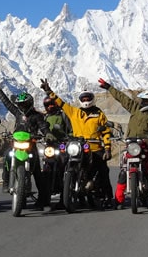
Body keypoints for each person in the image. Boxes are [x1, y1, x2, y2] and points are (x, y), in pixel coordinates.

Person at [40, 79, 114, 209]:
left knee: (103, 170)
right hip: (77, 147)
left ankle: (108, 197)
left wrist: (107, 148)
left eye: (88, 98)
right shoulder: (74, 112)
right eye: (83, 98)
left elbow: (106, 132)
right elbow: (60, 102)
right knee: (61, 166)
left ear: (92, 99)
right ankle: (63, 199)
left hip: (95, 148)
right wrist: (48, 91)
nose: (85, 100)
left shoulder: (99, 114)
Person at [98, 78, 148, 210]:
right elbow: (123, 99)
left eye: (145, 101)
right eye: (143, 101)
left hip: (146, 148)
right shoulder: (136, 109)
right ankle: (119, 200)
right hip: (131, 146)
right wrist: (109, 87)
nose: (142, 103)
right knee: (123, 171)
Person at [0, 78, 55, 211]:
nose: (22, 107)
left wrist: (47, 133)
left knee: (37, 171)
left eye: (24, 104)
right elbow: (6, 103)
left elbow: (43, 126)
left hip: (31, 145)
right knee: (8, 155)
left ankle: (43, 199)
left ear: (30, 104)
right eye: (20, 105)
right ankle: (6, 182)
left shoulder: (37, 116)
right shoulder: (17, 113)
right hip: (16, 143)